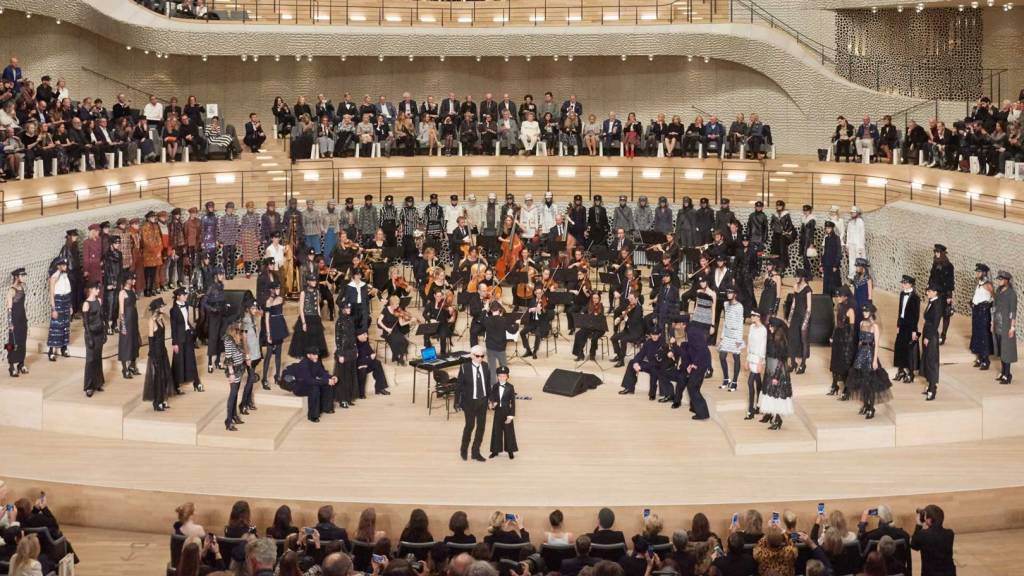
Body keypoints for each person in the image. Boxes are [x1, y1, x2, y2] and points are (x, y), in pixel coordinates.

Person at [847, 303, 892, 417]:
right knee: (862, 380)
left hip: (870, 353)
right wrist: (857, 354)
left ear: (871, 312)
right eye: (863, 311)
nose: (864, 313)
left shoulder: (874, 326)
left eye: (866, 311)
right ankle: (866, 404)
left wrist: (874, 360)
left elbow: (876, 344)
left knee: (870, 382)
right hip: (861, 353)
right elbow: (859, 341)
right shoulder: (862, 323)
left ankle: (871, 407)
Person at [456, 345, 491, 462]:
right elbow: (459, 386)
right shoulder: (464, 367)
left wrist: (490, 400)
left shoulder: (486, 367)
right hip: (470, 403)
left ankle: (476, 452)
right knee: (469, 426)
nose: (480, 358)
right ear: (472, 356)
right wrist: (457, 402)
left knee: (481, 428)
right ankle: (463, 450)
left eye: (482, 356)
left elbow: (487, 385)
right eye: (477, 356)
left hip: (483, 401)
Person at [760, 318, 793, 429]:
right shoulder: (773, 337)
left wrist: (776, 376)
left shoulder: (780, 340)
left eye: (771, 326)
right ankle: (772, 416)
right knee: (772, 394)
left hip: (778, 371)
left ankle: (778, 420)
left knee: (777, 396)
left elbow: (781, 360)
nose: (769, 328)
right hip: (771, 369)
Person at [171, 287, 204, 394]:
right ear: (178, 296)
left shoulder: (185, 305)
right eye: (184, 295)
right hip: (179, 339)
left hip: (187, 335)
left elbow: (186, 321)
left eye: (186, 295)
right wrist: (174, 343)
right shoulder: (174, 310)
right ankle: (176, 385)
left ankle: (196, 382)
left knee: (191, 359)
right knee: (178, 361)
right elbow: (173, 327)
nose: (186, 296)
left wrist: (192, 330)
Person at [142, 298, 173, 411]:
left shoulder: (161, 318)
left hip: (162, 350)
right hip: (156, 352)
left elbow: (169, 320)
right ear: (157, 308)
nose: (164, 308)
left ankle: (163, 399)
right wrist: (152, 355)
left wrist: (161, 316)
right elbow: (151, 339)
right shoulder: (151, 321)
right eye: (162, 306)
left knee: (165, 375)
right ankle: (157, 402)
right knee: (158, 377)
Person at [291, 347, 337, 422]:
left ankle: (327, 408)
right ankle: (313, 416)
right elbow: (309, 381)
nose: (317, 356)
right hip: (300, 387)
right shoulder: (304, 364)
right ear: (308, 355)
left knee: (327, 384)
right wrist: (326, 381)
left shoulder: (317, 361)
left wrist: (332, 378)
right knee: (314, 388)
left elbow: (322, 373)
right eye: (314, 355)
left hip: (310, 383)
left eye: (317, 355)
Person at [289, 273, 328, 359]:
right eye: (312, 280)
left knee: (315, 340)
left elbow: (317, 305)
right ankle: (307, 357)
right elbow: (301, 308)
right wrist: (303, 323)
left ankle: (314, 356)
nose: (314, 282)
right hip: (306, 318)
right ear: (308, 282)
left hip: (315, 318)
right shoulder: (303, 292)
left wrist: (319, 317)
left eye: (315, 280)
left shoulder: (316, 292)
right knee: (306, 340)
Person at [911, 505, 955, 576]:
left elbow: (914, 546)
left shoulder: (923, 534)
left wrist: (919, 525)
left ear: (929, 520)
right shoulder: (950, 533)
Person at [828, 287, 856, 399]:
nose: (837, 298)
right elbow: (837, 324)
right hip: (838, 337)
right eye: (837, 296)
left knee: (845, 363)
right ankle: (834, 385)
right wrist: (832, 336)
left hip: (845, 339)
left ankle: (846, 389)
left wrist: (848, 344)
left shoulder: (850, 310)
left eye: (840, 296)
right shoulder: (839, 307)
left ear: (846, 297)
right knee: (835, 361)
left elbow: (852, 330)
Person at [893, 275, 921, 384]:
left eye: (905, 283)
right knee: (899, 347)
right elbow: (900, 311)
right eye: (902, 283)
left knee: (909, 349)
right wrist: (898, 325)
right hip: (902, 324)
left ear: (910, 284)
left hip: (910, 326)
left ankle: (910, 373)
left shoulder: (915, 298)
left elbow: (916, 315)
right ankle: (901, 371)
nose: (903, 285)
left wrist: (914, 330)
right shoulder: (902, 294)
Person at [488, 365, 518, 460]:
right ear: (497, 376)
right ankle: (495, 450)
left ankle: (510, 450)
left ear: (507, 376)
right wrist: (492, 404)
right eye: (500, 376)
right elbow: (492, 397)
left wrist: (511, 416)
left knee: (509, 431)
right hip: (498, 412)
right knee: (496, 431)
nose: (502, 377)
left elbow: (512, 402)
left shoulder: (510, 387)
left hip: (507, 411)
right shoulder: (495, 386)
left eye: (504, 376)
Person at [718, 286, 745, 391]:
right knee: (722, 356)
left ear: (735, 294)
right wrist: (722, 335)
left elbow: (740, 323)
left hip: (735, 335)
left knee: (736, 358)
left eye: (730, 292)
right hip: (727, 335)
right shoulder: (725, 304)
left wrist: (739, 339)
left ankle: (734, 382)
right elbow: (725, 320)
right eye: (727, 292)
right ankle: (726, 379)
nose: (728, 294)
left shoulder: (739, 306)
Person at [46, 257, 73, 362]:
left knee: (66, 324)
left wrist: (70, 305)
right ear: (58, 266)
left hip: (66, 299)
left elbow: (68, 291)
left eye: (66, 265)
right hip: (58, 300)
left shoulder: (66, 275)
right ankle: (52, 350)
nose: (65, 267)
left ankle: (64, 347)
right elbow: (51, 294)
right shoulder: (54, 277)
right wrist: (53, 309)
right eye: (63, 265)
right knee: (56, 325)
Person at [82, 281, 106, 397]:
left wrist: (104, 332)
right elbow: (85, 324)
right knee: (90, 360)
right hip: (91, 334)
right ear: (91, 289)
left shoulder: (99, 301)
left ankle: (98, 383)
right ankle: (89, 386)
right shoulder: (86, 304)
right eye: (97, 289)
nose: (99, 291)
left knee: (98, 358)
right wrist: (89, 338)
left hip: (99, 333)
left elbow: (101, 318)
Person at [992, 270, 1017, 384]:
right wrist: (992, 323)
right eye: (999, 279)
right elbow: (994, 306)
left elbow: (1012, 312)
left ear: (1007, 281)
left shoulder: (1011, 294)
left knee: (1006, 350)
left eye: (1001, 279)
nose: (1000, 281)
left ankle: (1008, 374)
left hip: (1006, 325)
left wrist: (1012, 327)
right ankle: (1003, 372)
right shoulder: (998, 291)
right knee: (1001, 350)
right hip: (998, 323)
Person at [928, 244, 955, 345]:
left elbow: (950, 282)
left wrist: (949, 296)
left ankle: (943, 335)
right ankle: (934, 333)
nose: (936, 253)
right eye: (935, 252)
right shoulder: (935, 264)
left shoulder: (949, 266)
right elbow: (931, 277)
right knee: (935, 313)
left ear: (942, 253)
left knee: (945, 315)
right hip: (935, 292)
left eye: (938, 252)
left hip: (944, 293)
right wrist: (929, 287)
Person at [787, 270, 813, 374]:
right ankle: (793, 363)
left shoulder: (808, 289)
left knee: (804, 341)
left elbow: (809, 308)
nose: (796, 278)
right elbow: (793, 304)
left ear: (802, 277)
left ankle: (803, 364)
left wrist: (805, 322)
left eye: (798, 276)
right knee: (792, 339)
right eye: (795, 276)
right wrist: (789, 319)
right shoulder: (795, 287)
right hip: (795, 317)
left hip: (804, 317)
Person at [970, 263, 995, 370]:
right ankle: (980, 357)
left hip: (983, 311)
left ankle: (986, 359)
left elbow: (994, 297)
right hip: (976, 311)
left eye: (979, 272)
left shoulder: (988, 285)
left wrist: (987, 305)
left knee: (984, 334)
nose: (977, 273)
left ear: (984, 273)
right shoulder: (979, 283)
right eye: (977, 271)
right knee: (977, 333)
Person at [743, 310, 767, 420]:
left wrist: (760, 362)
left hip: (758, 359)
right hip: (751, 357)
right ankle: (759, 405)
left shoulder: (763, 330)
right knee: (758, 382)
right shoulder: (752, 327)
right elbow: (749, 343)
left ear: (758, 317)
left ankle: (751, 410)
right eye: (751, 315)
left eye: (753, 315)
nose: (751, 317)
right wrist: (747, 359)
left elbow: (763, 347)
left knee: (750, 382)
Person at [223, 323, 247, 431]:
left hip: (240, 368)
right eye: (238, 330)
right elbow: (228, 358)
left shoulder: (236, 339)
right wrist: (231, 373)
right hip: (234, 370)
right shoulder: (228, 341)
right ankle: (228, 421)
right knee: (232, 395)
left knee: (236, 393)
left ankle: (234, 416)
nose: (240, 332)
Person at [921, 284, 943, 401]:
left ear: (935, 292)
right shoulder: (931, 302)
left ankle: (933, 389)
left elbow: (935, 323)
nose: (927, 292)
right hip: (927, 332)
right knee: (927, 360)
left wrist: (928, 337)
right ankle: (929, 385)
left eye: (929, 291)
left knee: (932, 361)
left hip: (931, 335)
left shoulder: (937, 304)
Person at [6, 268, 28, 377]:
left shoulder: (22, 288)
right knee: (12, 343)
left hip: (22, 319)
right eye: (22, 275)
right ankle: (11, 366)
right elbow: (9, 308)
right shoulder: (11, 290)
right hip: (14, 320)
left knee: (22, 341)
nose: (24, 277)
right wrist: (10, 323)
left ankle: (21, 363)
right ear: (16, 277)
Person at [845, 207, 866, 280]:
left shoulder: (860, 221)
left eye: (853, 212)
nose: (852, 214)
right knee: (851, 261)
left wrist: (861, 247)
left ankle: (859, 278)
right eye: (851, 213)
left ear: (857, 213)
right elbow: (848, 234)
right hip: (851, 244)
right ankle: (852, 278)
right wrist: (847, 245)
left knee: (859, 262)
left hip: (858, 245)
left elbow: (862, 234)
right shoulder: (850, 222)